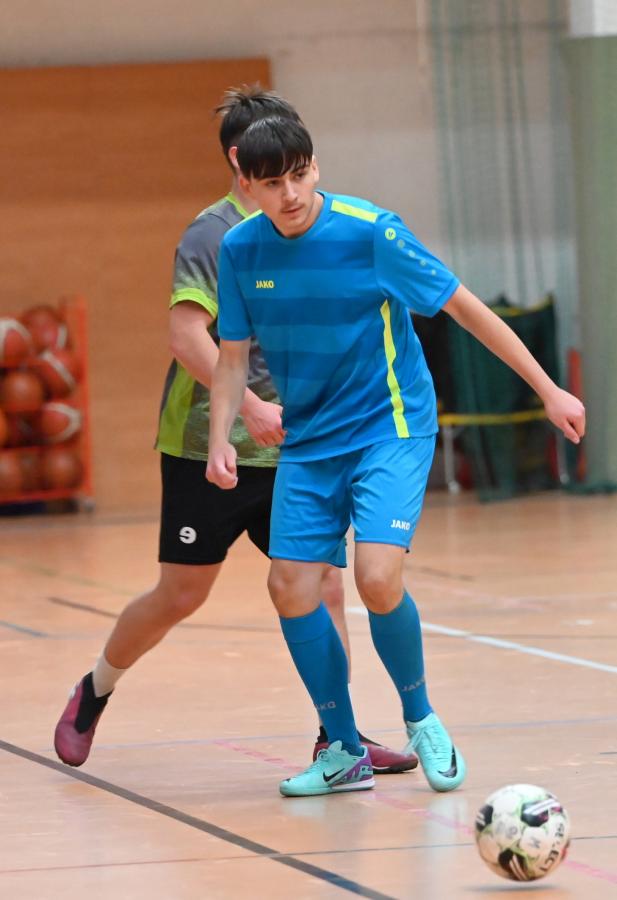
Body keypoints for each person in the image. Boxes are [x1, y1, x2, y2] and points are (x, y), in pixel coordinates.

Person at [206, 116, 586, 798]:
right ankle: (342, 749)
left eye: (299, 175)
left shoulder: (371, 232)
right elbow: (231, 357)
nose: (290, 194)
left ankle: (421, 719)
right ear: (247, 186)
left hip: (390, 427)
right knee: (288, 587)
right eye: (272, 183)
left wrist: (548, 388)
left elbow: (465, 308)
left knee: (376, 578)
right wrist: (219, 441)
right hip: (310, 440)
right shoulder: (239, 250)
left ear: (315, 168)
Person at [53, 87, 415, 776]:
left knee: (324, 585)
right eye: (271, 165)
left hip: (298, 447)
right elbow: (188, 336)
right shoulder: (213, 235)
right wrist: (248, 407)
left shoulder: (318, 226)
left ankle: (336, 738)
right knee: (181, 594)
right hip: (208, 444)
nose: (289, 181)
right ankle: (95, 689)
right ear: (240, 162)